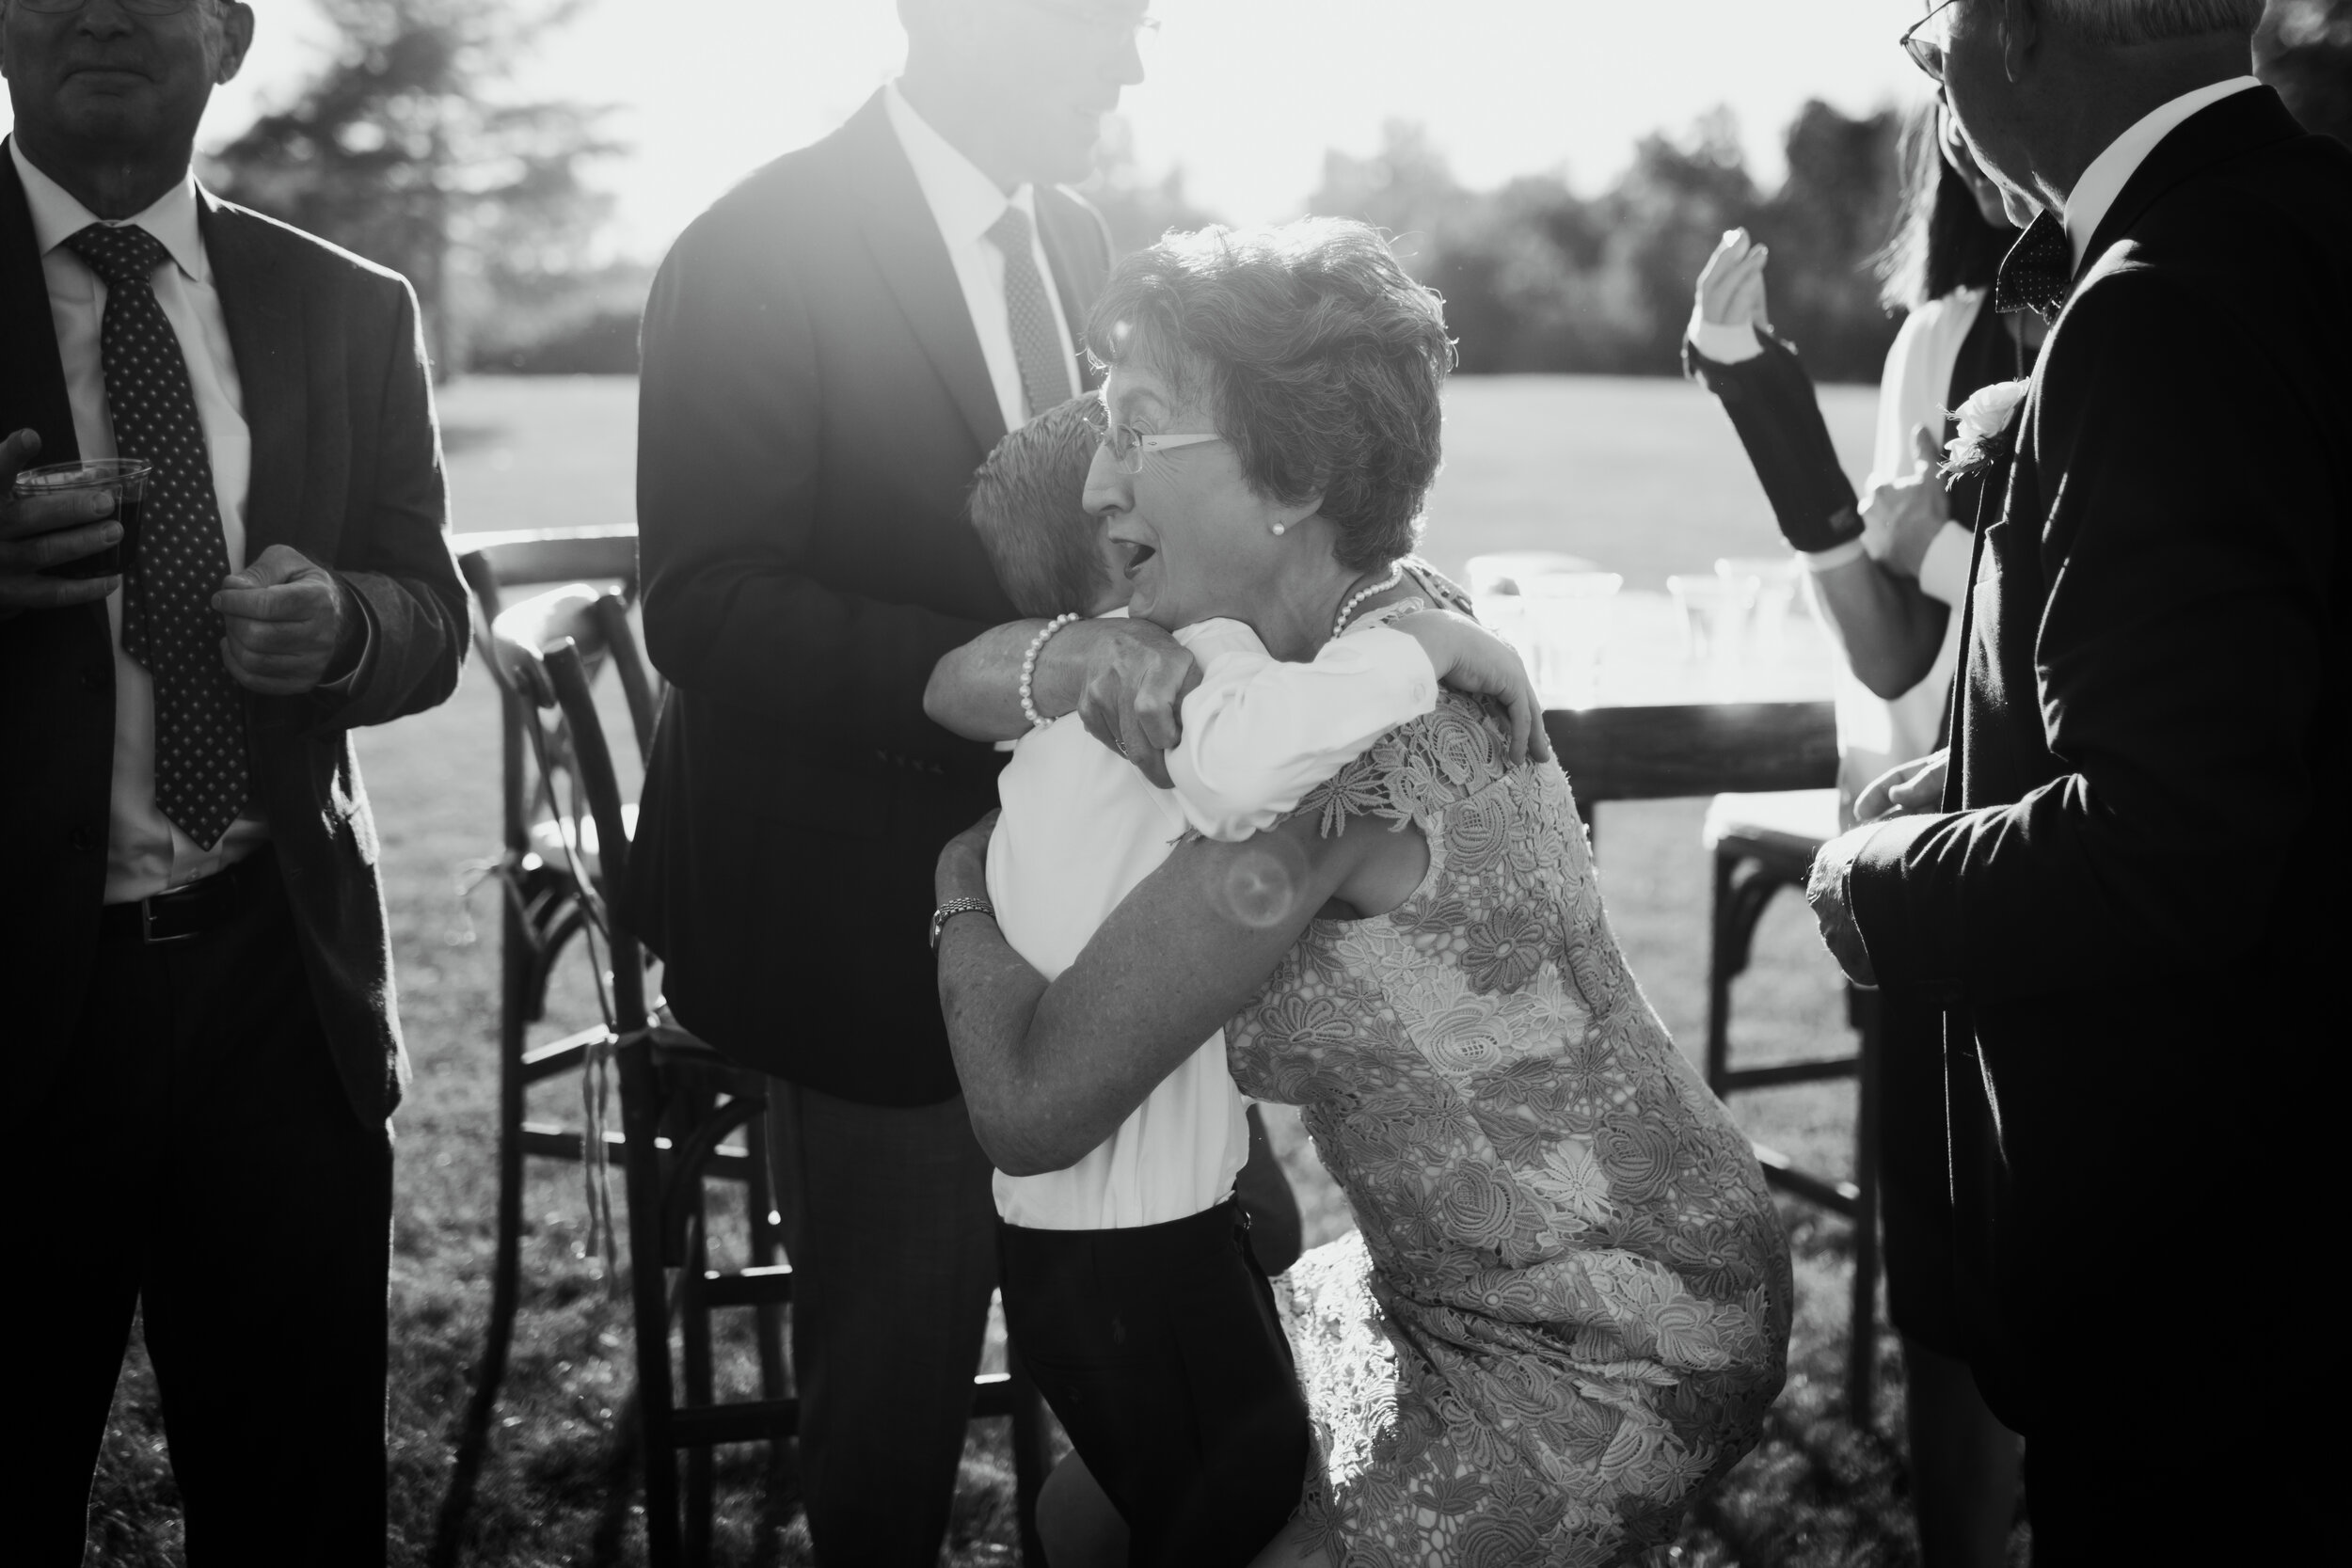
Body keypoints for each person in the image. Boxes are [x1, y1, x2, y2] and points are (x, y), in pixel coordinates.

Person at [934, 218, 1793, 1568]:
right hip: (1451, 1284)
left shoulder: (1322, 775)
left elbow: (1030, 1105)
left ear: (1291, 476)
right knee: (1078, 1524)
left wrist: (954, 882)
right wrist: (1082, 648)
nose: (1098, 484)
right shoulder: (1371, 626)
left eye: (1139, 431)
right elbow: (969, 670)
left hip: (1612, 1332)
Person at [626, 4, 1200, 1560]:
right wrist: (1009, 670)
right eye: (1111, 31)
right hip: (853, 910)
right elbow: (706, 599)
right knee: (895, 1404)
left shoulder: (1077, 238)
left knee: (1182, 1358)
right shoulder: (754, 247)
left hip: (1090, 894)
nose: (1136, 70)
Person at [1806, 2, 2349, 1560]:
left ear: (2017, 34)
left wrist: (1871, 881)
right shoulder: (2310, 226)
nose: (1938, 70)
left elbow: (2167, 843)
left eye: (1933, 29)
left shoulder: (2160, 304)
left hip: (2212, 1268)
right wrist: (1975, 778)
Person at [0, 0, 467, 1559]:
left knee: (299, 1508)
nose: (105, 12)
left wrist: (344, 626)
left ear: (230, 33)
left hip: (280, 996)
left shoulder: (349, 305)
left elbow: (429, 608)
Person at [948, 395, 1551, 1565]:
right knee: (1240, 1508)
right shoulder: (1179, 686)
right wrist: (1423, 646)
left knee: (1157, 1509)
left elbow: (959, 681)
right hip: (1139, 1249)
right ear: (1129, 575)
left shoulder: (1055, 715)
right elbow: (1251, 758)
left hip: (1082, 1250)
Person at [1684, 104, 2032, 1568]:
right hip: (1961, 867)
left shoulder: (2197, 281)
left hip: (2114, 865)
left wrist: (1927, 538)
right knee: (1956, 1297)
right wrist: (1767, 406)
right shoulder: (1946, 333)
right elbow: (1896, 655)